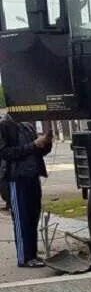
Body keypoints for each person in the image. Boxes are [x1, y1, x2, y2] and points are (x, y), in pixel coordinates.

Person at [0, 114, 52, 267]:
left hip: (32, 175)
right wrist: (34, 145)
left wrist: (46, 143)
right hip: (16, 178)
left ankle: (32, 255)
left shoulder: (27, 125)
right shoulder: (4, 126)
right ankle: (24, 257)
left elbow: (38, 151)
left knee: (33, 216)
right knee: (22, 218)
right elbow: (6, 153)